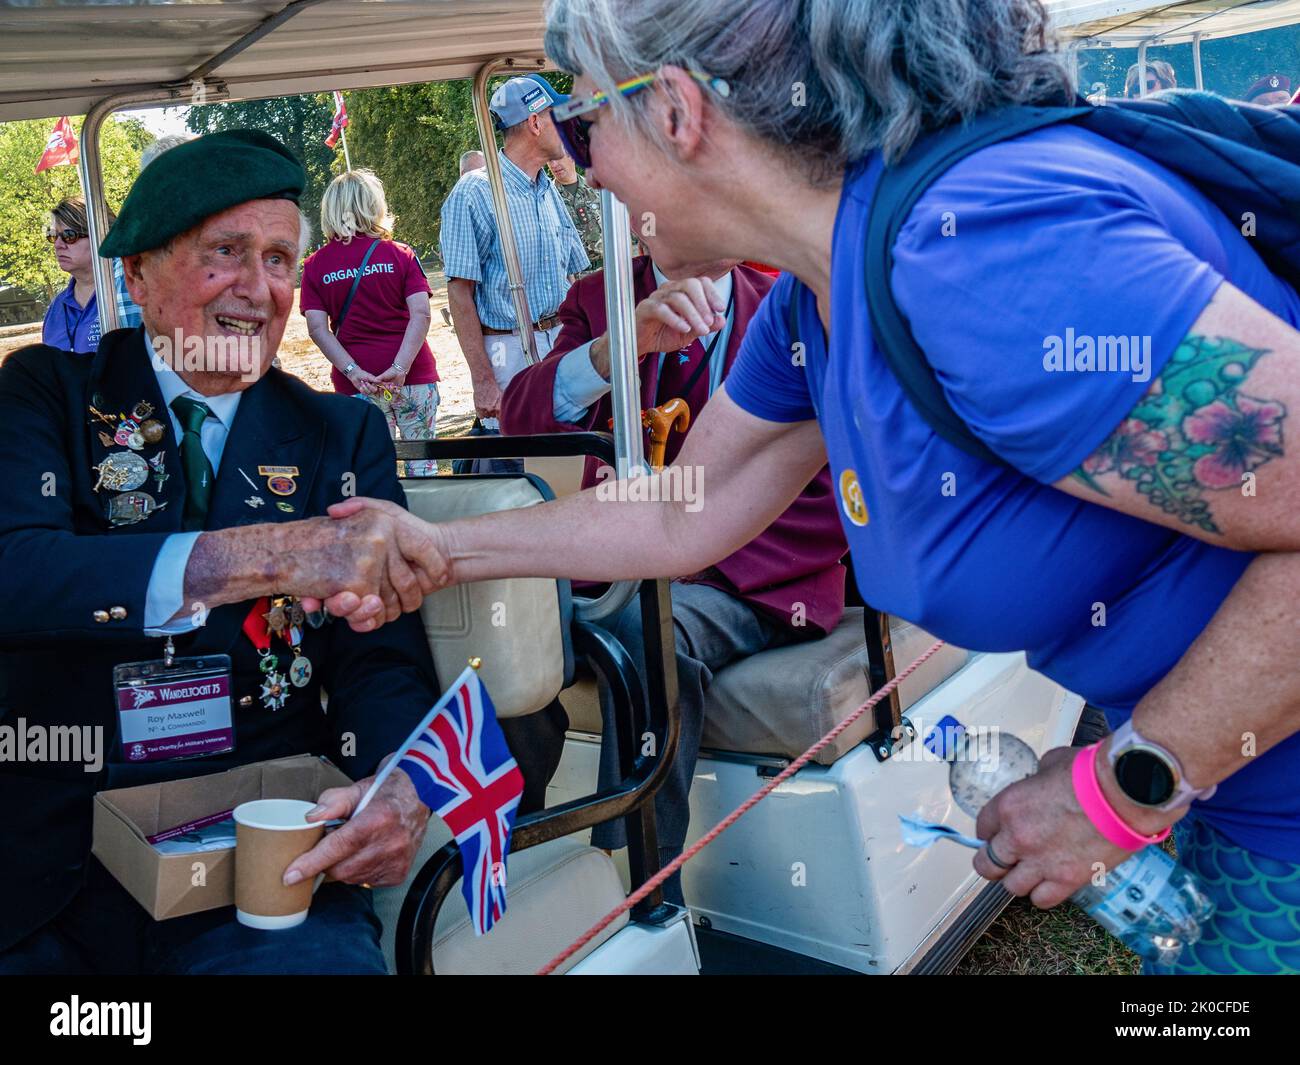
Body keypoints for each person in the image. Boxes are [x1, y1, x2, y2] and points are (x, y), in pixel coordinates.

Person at [323, 0, 1300, 975]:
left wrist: (1121, 790)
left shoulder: (970, 253)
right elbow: (680, 508)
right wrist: (442, 547)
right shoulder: (824, 294)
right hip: (1233, 791)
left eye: (583, 123)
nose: (583, 167)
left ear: (673, 110)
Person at [0, 130, 446, 975]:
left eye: (281, 259)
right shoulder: (46, 395)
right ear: (137, 272)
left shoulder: (340, 431)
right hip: (57, 862)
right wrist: (266, 556)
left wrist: (398, 775)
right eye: (226, 252)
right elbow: (16, 574)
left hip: (264, 864)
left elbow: (380, 661)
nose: (259, 288)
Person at [499, 234, 846, 901]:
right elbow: (520, 419)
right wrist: (610, 353)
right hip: (613, 567)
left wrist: (690, 542)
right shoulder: (596, 300)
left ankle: (637, 893)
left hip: (751, 576)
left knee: (645, 626)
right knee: (514, 629)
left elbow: (825, 488)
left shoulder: (787, 303)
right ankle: (505, 857)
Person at [439, 74, 589, 433]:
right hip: (508, 353)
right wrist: (483, 380)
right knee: (521, 455)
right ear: (535, 122)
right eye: (556, 115)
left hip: (559, 342)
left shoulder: (547, 189)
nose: (565, 126)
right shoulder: (474, 193)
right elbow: (460, 292)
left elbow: (573, 273)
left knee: (566, 453)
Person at [301, 168, 439, 477]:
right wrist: (400, 367)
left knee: (373, 472)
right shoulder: (400, 254)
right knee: (424, 467)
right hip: (413, 377)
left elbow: (317, 328)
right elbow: (422, 313)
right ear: (373, 205)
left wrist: (353, 372)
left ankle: (384, 526)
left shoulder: (315, 266)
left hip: (358, 386)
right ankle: (425, 525)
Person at [41, 197, 106, 354]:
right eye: (52, 235)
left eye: (69, 235)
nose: (58, 245)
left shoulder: (128, 293)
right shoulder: (56, 307)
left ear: (101, 235)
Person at [548, 153, 604, 273]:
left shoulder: (598, 190)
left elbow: (619, 232)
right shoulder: (547, 199)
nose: (553, 165)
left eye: (557, 158)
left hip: (606, 273)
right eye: (549, 160)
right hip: (574, 281)